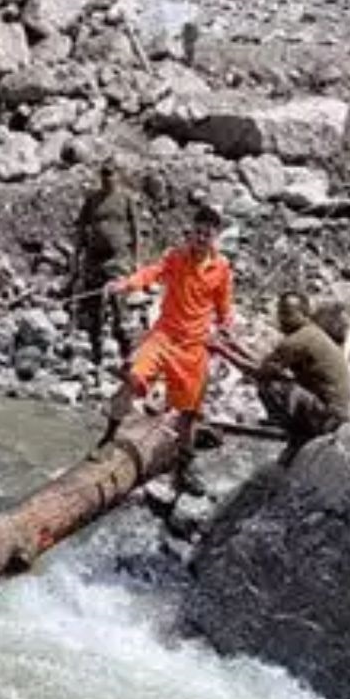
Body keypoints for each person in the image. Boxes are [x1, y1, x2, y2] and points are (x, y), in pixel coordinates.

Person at [99, 203, 236, 496]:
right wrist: (125, 285)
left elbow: (224, 307)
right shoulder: (175, 257)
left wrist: (225, 327)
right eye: (197, 233)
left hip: (195, 346)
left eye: (206, 235)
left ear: (215, 237)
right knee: (133, 377)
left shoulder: (222, 268)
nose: (200, 239)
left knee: (187, 413)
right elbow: (151, 273)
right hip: (164, 336)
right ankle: (108, 437)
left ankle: (183, 469)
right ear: (191, 233)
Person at [212, 292, 350, 464]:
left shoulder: (298, 341)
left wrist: (221, 350)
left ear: (304, 314)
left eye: (288, 314)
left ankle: (299, 435)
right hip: (332, 412)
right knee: (275, 377)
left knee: (269, 385)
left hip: (328, 417)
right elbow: (265, 363)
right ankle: (301, 432)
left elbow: (259, 372)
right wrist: (234, 344)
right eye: (280, 313)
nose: (282, 319)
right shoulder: (310, 334)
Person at [73, 163, 145, 370]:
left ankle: (128, 356)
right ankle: (95, 356)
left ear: (118, 176)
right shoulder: (92, 199)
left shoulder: (126, 199)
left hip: (118, 259)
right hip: (94, 259)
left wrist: (136, 261)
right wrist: (76, 258)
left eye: (111, 174)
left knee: (119, 304)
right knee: (93, 307)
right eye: (104, 174)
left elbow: (136, 230)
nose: (107, 178)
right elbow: (81, 229)